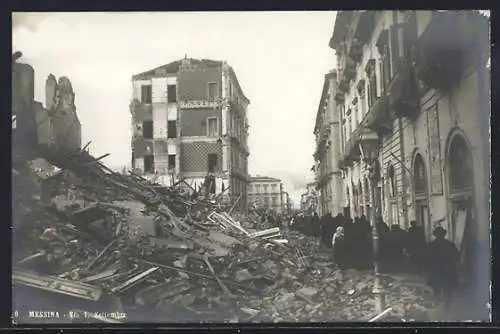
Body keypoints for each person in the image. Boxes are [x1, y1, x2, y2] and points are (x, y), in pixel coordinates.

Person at [425, 226, 460, 308]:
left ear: (435, 235)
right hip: (448, 269)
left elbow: (427, 258)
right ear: (444, 234)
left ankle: (438, 303)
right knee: (447, 286)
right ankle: (447, 303)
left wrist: (427, 270)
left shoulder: (432, 245)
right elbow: (457, 257)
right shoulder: (450, 244)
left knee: (436, 286)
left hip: (436, 269)